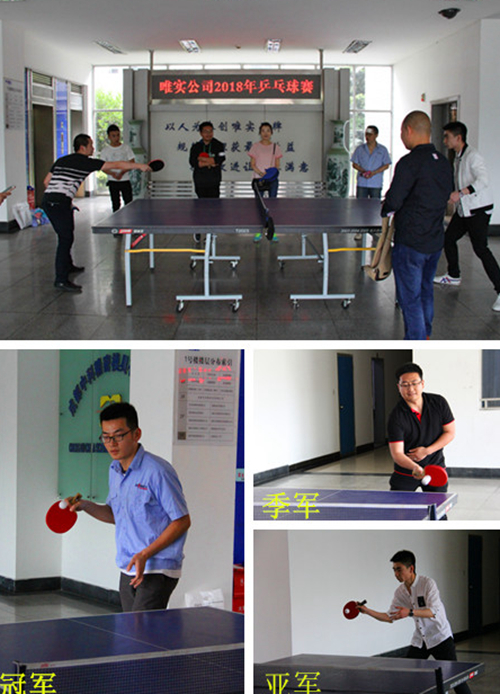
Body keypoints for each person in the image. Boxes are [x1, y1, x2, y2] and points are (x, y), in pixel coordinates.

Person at [68, 402, 191, 612]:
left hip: (157, 567)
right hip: (128, 564)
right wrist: (85, 505)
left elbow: (182, 521)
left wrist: (145, 554)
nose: (111, 443)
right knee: (130, 629)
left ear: (136, 434)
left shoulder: (158, 471)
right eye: (106, 437)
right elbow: (115, 515)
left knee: (141, 629)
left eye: (118, 436)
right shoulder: (114, 470)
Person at [42, 133, 151, 292]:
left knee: (66, 234)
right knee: (65, 238)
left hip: (52, 201)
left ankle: (68, 265)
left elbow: (46, 182)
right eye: (91, 145)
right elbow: (116, 165)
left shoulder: (62, 160)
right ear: (82, 147)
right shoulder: (85, 162)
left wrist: (65, 199)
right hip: (58, 204)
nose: (93, 148)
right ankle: (60, 279)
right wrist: (139, 166)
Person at [357, 550, 472, 694]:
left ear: (411, 568)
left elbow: (433, 611)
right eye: (394, 570)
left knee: (456, 680)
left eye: (399, 569)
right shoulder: (400, 592)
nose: (396, 574)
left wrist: (410, 612)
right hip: (421, 640)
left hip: (440, 637)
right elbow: (389, 617)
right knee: (408, 674)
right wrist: (367, 611)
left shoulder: (428, 584)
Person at [381, 111, 453, 340]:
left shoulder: (409, 163)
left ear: (409, 130)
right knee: (425, 291)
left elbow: (394, 201)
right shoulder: (443, 163)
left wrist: (385, 208)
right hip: (434, 241)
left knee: (410, 299)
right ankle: (426, 335)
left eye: (402, 132)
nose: (402, 137)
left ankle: (417, 340)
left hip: (411, 242)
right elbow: (445, 196)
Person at [434, 121, 500, 312]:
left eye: (447, 137)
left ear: (458, 138)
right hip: (465, 210)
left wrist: (461, 193)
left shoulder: (473, 156)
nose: (445, 140)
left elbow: (483, 180)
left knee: (481, 249)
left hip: (478, 209)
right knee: (448, 238)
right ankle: (454, 275)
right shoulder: (458, 156)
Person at [387, 362, 455, 493]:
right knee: (398, 506)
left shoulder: (438, 403)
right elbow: (397, 453)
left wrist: (427, 451)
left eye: (414, 383)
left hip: (435, 469)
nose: (410, 389)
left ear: (422, 384)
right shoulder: (396, 416)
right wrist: (415, 468)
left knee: (438, 506)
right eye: (405, 385)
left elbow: (450, 432)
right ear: (399, 387)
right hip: (406, 471)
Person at [189, 121, 226, 241]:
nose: (208, 134)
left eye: (210, 131)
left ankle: (211, 232)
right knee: (200, 207)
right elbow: (194, 162)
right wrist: (211, 162)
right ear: (201, 133)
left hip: (214, 181)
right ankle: (198, 229)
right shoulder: (196, 147)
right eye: (205, 131)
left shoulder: (219, 145)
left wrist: (203, 160)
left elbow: (221, 159)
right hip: (200, 181)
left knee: (214, 208)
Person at [248, 122, 283, 242]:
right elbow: (252, 164)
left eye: (268, 130)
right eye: (263, 131)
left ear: (271, 132)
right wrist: (261, 174)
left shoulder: (276, 147)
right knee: (259, 206)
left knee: (273, 205)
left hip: (272, 180)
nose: (265, 133)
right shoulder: (255, 146)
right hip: (258, 179)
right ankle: (258, 231)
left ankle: (273, 231)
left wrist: (270, 174)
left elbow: (277, 165)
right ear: (260, 133)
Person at [100, 124, 135, 212]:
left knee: (128, 202)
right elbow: (103, 167)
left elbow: (132, 163)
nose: (116, 138)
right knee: (115, 204)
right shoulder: (105, 151)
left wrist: (122, 172)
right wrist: (113, 174)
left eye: (118, 135)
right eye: (113, 136)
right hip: (113, 181)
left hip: (125, 180)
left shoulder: (126, 148)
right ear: (109, 137)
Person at [351, 125, 391, 199]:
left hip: (375, 183)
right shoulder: (360, 149)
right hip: (362, 183)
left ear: (376, 135)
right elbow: (354, 164)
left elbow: (386, 165)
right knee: (360, 204)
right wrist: (363, 171)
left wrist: (374, 172)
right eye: (366, 134)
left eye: (370, 135)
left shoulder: (382, 150)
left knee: (375, 204)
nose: (367, 137)